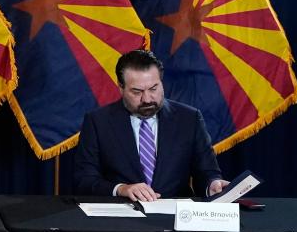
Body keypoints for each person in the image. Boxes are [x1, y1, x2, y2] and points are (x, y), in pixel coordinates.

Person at [74, 49, 228, 201]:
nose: (147, 99)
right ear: (121, 88)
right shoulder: (97, 122)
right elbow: (84, 180)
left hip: (176, 217)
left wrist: (212, 185)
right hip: (122, 217)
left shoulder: (189, 119)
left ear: (161, 82)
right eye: (137, 91)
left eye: (153, 88)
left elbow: (207, 172)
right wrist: (121, 189)